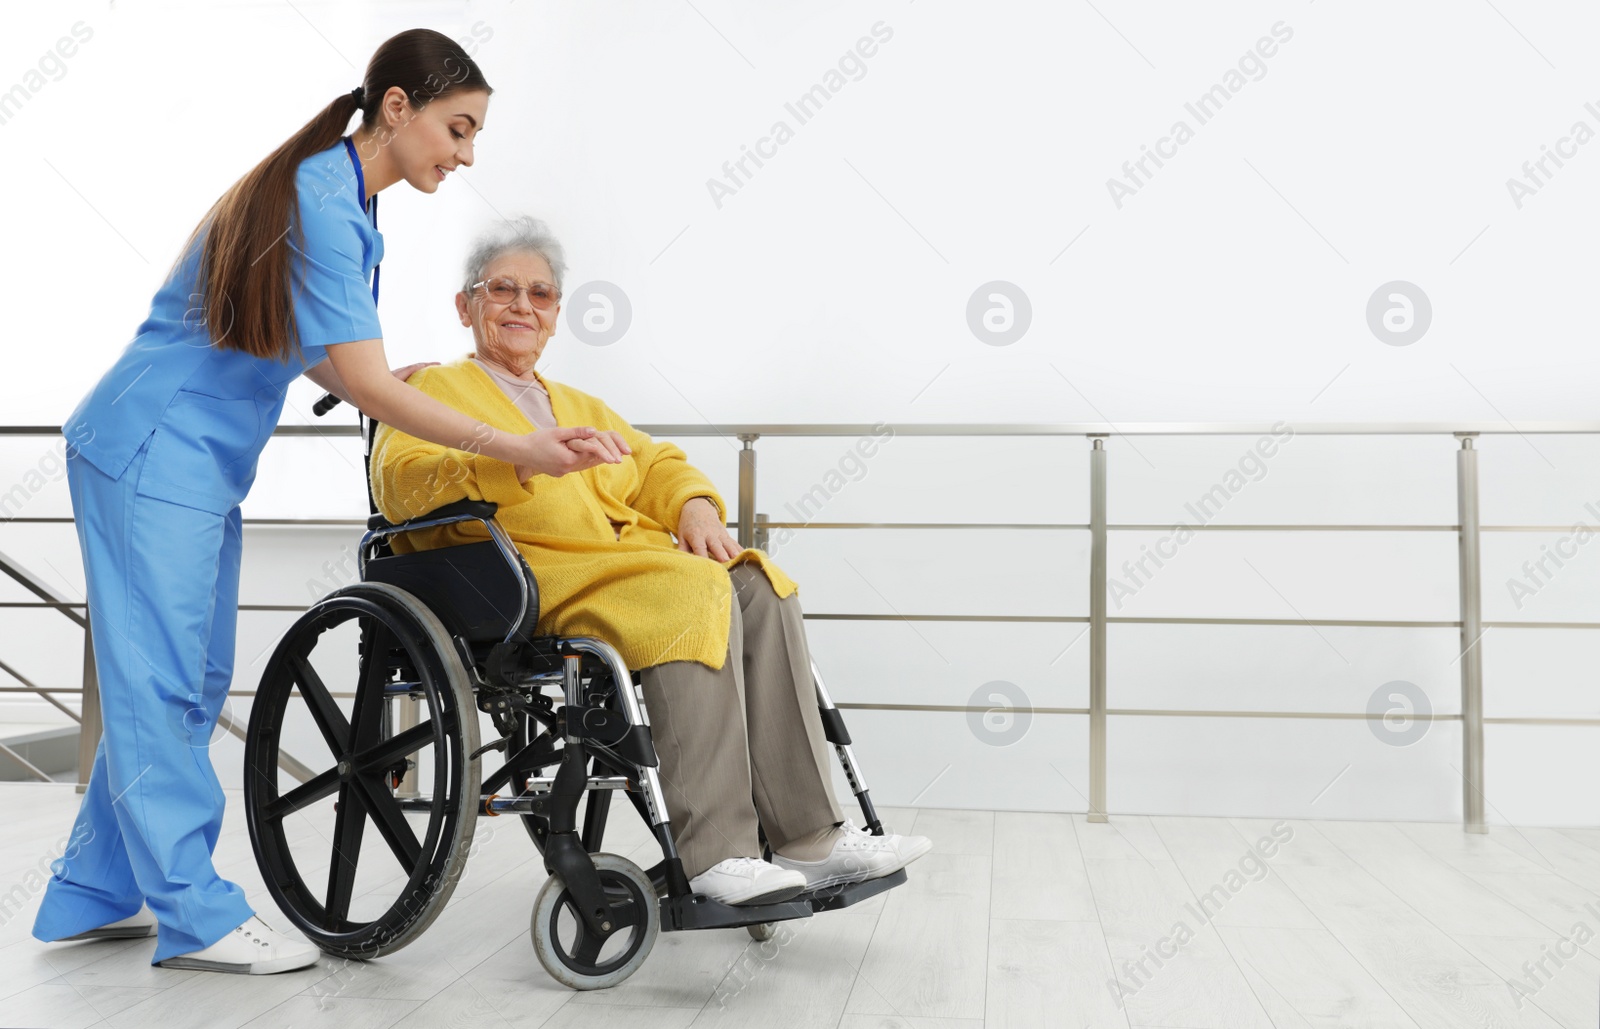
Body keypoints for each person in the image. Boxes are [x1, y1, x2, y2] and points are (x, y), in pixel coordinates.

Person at [32, 30, 623, 976]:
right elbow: (359, 379)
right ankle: (195, 911)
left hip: (190, 460)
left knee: (185, 674)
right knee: (162, 681)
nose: (465, 154)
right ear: (398, 108)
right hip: (150, 447)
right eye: (458, 128)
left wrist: (397, 375)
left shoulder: (340, 198)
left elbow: (326, 351)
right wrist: (513, 444)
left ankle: (94, 891)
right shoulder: (319, 197)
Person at [370, 216, 932, 907]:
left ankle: (808, 836)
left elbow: (655, 462)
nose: (522, 305)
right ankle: (717, 853)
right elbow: (401, 484)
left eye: (540, 294)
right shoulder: (431, 391)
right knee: (690, 591)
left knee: (759, 584)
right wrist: (514, 459)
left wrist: (693, 503)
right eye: (503, 289)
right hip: (527, 574)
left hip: (622, 565)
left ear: (554, 316)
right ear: (466, 305)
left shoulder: (576, 403)